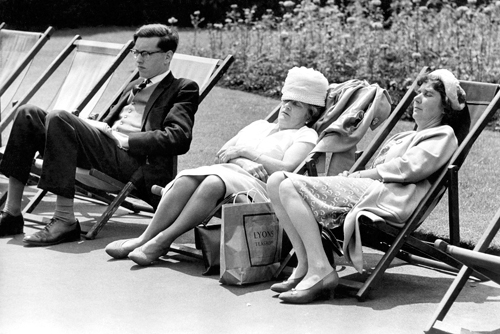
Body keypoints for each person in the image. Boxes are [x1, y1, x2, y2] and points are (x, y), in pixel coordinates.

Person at [266, 69, 471, 304]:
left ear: (445, 107)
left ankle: (321, 269)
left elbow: (408, 169)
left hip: (389, 199)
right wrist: (353, 177)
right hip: (372, 189)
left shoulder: (443, 135)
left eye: (428, 94)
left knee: (290, 187)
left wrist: (361, 174)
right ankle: (305, 264)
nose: (417, 98)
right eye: (418, 92)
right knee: (276, 182)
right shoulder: (404, 136)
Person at [104, 66, 329, 266]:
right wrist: (242, 161)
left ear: (310, 114)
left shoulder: (305, 135)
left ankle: (163, 240)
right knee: (186, 179)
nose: (286, 107)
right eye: (285, 100)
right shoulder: (259, 125)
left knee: (212, 182)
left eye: (296, 104)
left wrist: (245, 152)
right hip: (230, 175)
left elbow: (286, 168)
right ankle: (145, 238)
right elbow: (221, 154)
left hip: (260, 189)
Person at [0, 24, 199, 245]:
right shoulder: (133, 85)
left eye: (146, 53)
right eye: (136, 52)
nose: (138, 59)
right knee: (27, 113)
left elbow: (179, 136)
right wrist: (94, 125)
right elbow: (109, 125)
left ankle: (64, 220)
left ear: (167, 56)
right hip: (107, 151)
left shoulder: (182, 88)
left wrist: (126, 140)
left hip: (137, 164)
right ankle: (13, 214)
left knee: (59, 118)